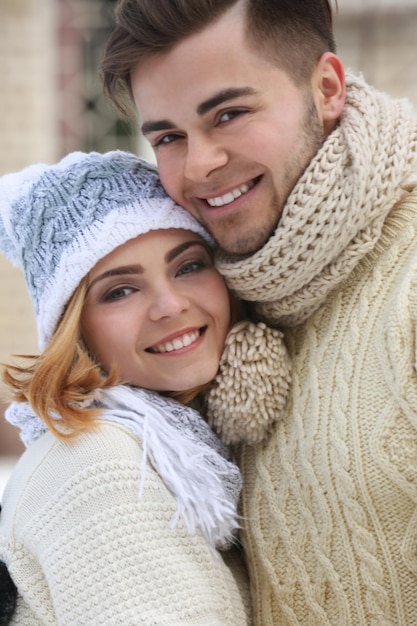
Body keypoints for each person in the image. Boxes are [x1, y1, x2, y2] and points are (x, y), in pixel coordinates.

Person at [100, 1, 417, 624]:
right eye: (168, 137)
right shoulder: (214, 306)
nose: (198, 167)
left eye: (229, 114)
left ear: (325, 88)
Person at [0, 150, 257, 625]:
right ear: (74, 329)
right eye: (120, 290)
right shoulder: (100, 467)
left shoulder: (186, 445)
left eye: (189, 266)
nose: (170, 305)